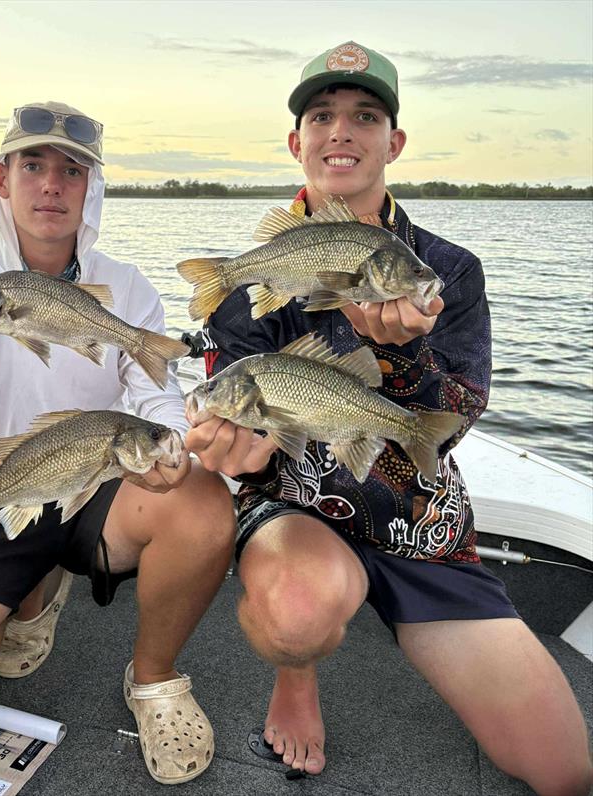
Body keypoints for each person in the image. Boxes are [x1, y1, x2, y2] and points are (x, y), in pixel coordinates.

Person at [186, 42, 593, 794]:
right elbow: (242, 418)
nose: (341, 132)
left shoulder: (448, 269)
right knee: (298, 613)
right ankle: (296, 678)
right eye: (322, 116)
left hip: (416, 512)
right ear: (296, 141)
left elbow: (457, 417)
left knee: (564, 770)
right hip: (296, 503)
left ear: (393, 142)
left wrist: (400, 357)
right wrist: (234, 447)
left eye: (365, 116)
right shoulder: (256, 282)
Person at [0, 102, 235, 786]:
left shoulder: (127, 289)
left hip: (94, 483)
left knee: (202, 501)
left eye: (71, 169)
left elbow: (155, 398)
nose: (51, 185)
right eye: (33, 165)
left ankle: (153, 678)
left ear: (92, 187)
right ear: (2, 179)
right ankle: (19, 597)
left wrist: (176, 447)